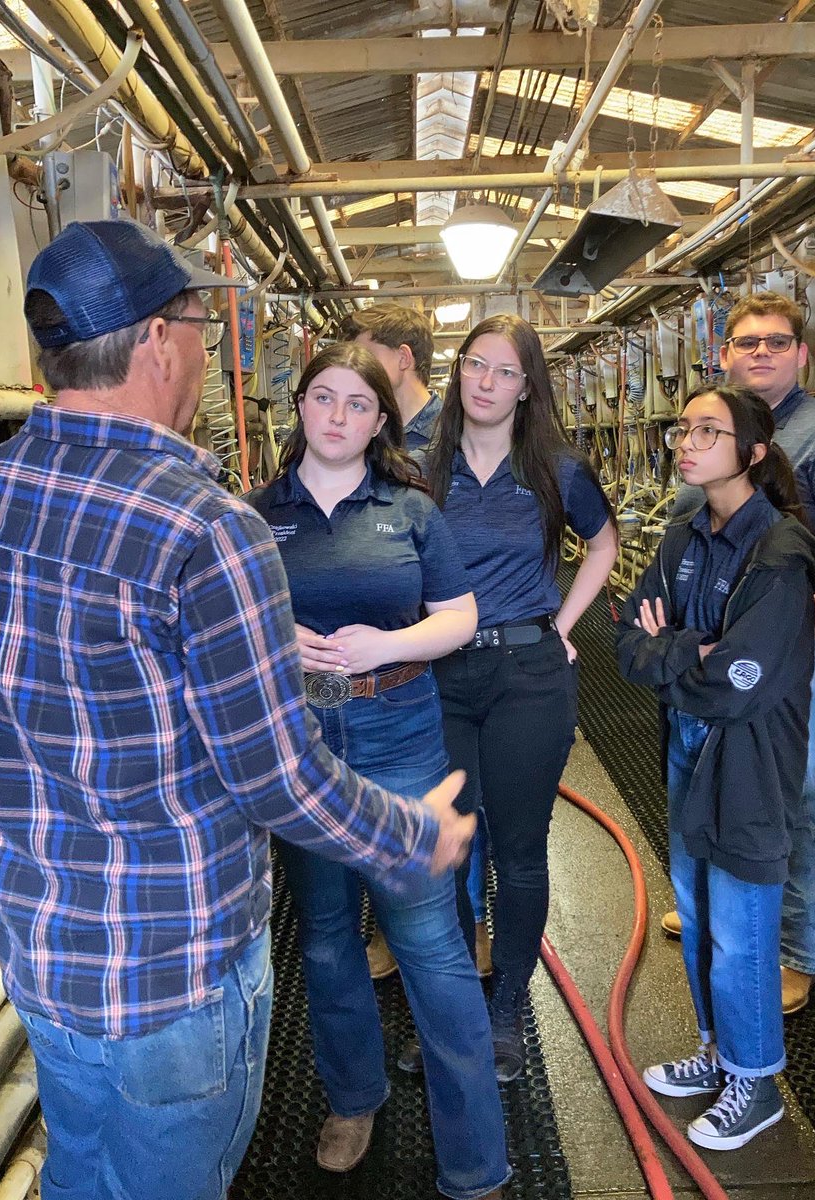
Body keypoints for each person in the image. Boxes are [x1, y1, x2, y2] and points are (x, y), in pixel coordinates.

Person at [0, 219, 474, 1200]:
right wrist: (413, 836)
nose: (209, 352)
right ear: (159, 341)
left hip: (46, 962)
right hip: (174, 977)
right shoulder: (205, 525)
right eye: (202, 326)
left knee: (79, 1173)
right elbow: (275, 775)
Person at [245, 342, 509, 1199]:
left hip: (397, 728)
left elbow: (459, 616)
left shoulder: (410, 508)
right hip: (302, 737)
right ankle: (353, 1098)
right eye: (323, 397)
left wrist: (385, 646)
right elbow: (228, 620)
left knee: (429, 939)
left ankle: (476, 1153)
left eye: (358, 404)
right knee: (326, 934)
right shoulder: (254, 515)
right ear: (299, 406)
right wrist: (277, 640)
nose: (337, 416)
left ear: (379, 423)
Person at [661, 293, 815, 1014]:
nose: (760, 351)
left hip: (798, 652)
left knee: (789, 792)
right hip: (712, 649)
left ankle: (795, 945)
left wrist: (783, 640)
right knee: (703, 773)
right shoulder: (711, 430)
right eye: (746, 341)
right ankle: (714, 906)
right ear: (723, 354)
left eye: (776, 341)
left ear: (802, 353)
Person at [617, 385, 815, 1149]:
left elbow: (739, 684)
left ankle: (756, 1080)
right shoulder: (682, 538)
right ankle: (718, 1051)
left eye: (709, 431)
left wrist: (672, 651)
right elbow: (628, 645)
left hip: (747, 756)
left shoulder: (780, 555)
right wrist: (689, 650)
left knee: (742, 924)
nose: (687, 442)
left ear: (754, 452)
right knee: (699, 908)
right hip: (687, 742)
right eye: (685, 429)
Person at [421, 313, 618, 1082]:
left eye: (507, 371)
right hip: (440, 674)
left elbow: (602, 545)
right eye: (477, 364)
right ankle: (455, 1015)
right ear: (458, 370)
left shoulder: (555, 470)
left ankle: (505, 1012)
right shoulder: (423, 467)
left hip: (527, 676)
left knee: (518, 849)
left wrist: (562, 625)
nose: (488, 382)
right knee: (444, 849)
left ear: (527, 388)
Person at [340, 302, 493, 981]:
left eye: (366, 353)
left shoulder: (447, 440)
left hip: (448, 637)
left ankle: (466, 923)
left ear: (402, 359)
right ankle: (393, 923)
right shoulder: (368, 431)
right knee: (391, 793)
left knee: (454, 791)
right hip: (386, 645)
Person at [341, 301, 442, 450]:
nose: (356, 369)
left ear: (403, 358)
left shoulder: (453, 436)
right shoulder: (363, 429)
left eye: (367, 358)